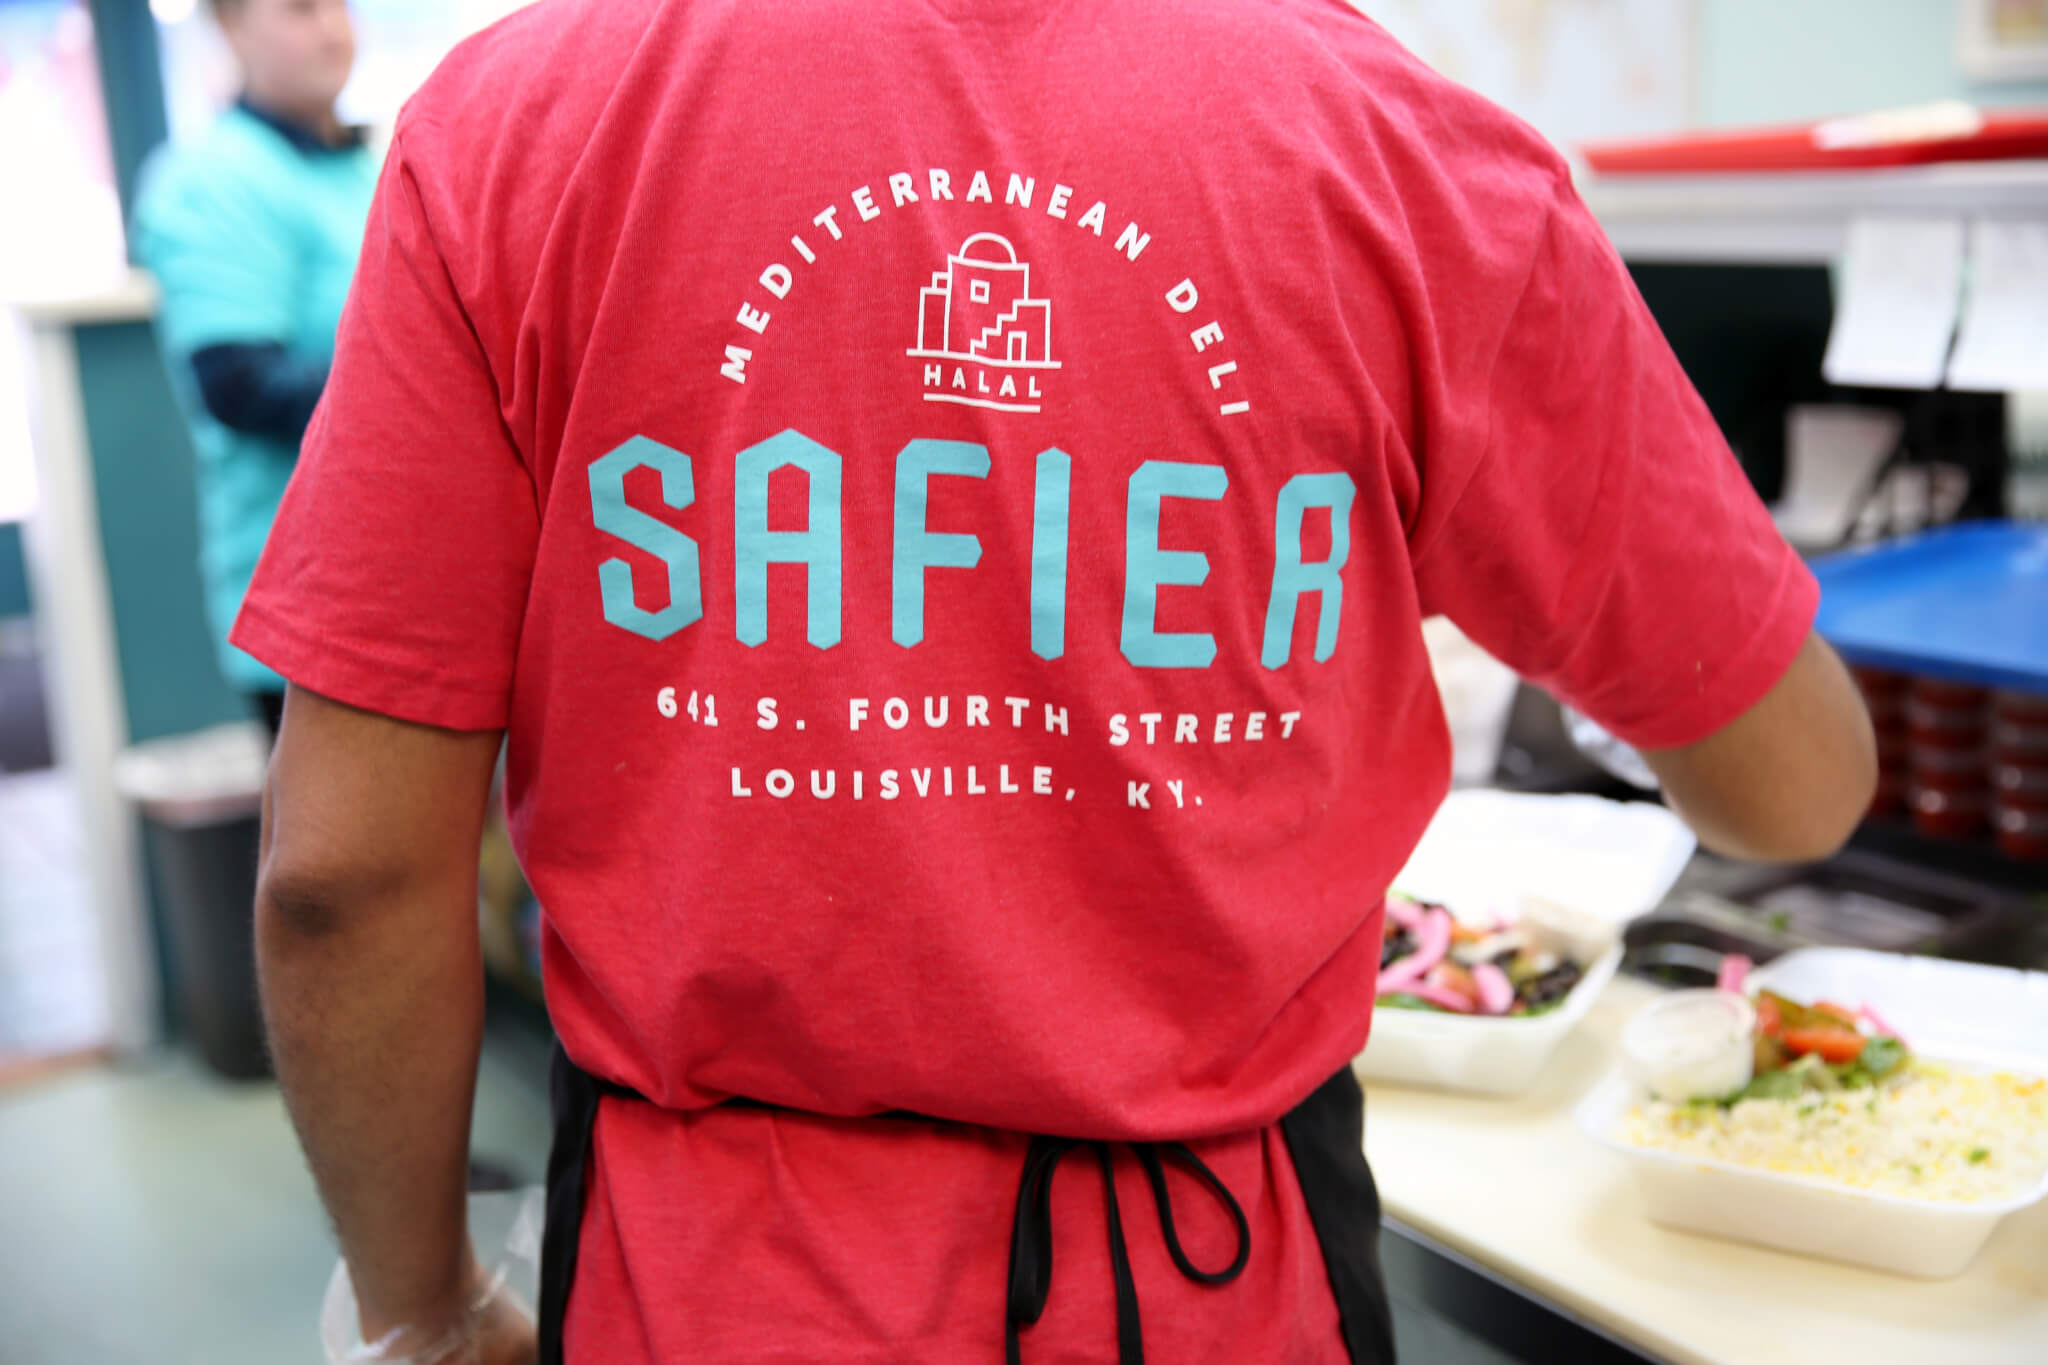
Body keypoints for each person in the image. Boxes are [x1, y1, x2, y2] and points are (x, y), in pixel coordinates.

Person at [236, 2, 1877, 1362]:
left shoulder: (515, 130)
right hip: (1220, 1291)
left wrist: (425, 1313)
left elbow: (345, 878)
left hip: (696, 1284)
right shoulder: (1406, 158)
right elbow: (1792, 786)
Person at [134, 0, 371, 738]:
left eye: (340, 5)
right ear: (230, 30)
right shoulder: (214, 179)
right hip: (314, 603)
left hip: (421, 584)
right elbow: (241, 386)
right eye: (300, 9)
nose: (331, 27)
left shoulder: (364, 163)